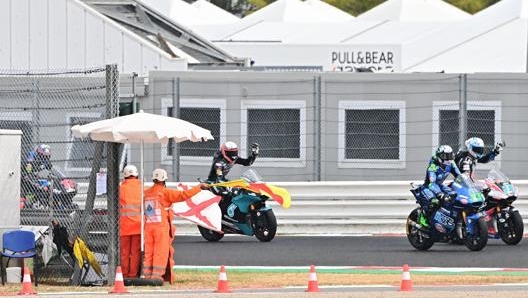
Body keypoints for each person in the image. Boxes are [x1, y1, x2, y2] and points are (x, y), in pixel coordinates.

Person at [143, 168, 210, 282]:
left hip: (148, 227)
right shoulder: (165, 192)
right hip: (161, 227)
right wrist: (199, 187)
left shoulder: (146, 193)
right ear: (164, 180)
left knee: (149, 251)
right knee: (160, 251)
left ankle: (147, 275)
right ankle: (156, 277)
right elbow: (184, 195)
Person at [207, 141, 259, 213]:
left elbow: (247, 162)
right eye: (231, 153)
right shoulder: (219, 163)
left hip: (223, 181)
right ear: (224, 152)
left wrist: (254, 154)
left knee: (237, 193)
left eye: (234, 152)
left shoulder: (234, 158)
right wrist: (226, 185)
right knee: (225, 195)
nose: (233, 155)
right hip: (213, 182)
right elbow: (219, 176)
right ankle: (219, 214)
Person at [420, 145, 462, 224]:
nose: (448, 158)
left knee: (454, 195)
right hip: (428, 186)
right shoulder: (433, 166)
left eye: (450, 155)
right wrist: (439, 194)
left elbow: (460, 176)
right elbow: (432, 183)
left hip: (440, 185)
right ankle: (423, 217)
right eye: (446, 156)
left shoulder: (451, 164)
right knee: (435, 202)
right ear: (440, 156)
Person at [119, 165, 142, 278]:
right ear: (136, 174)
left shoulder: (121, 188)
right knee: (135, 252)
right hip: (138, 225)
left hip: (124, 226)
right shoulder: (142, 188)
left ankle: (124, 274)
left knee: (124, 252)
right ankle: (133, 274)